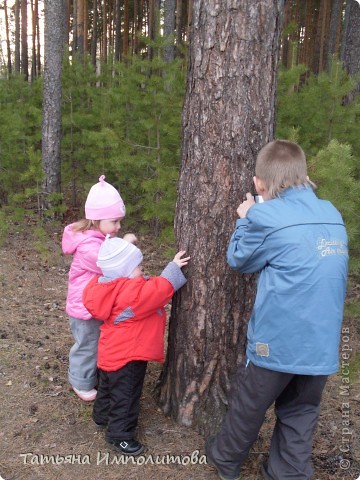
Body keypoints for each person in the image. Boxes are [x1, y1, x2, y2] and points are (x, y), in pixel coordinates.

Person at [206, 140, 348, 480]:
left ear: (259, 183)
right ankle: (288, 471)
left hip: (278, 341)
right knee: (301, 409)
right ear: (305, 175)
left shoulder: (265, 214)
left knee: (250, 404)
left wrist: (246, 216)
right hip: (321, 345)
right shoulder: (331, 213)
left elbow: (240, 259)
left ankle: (226, 459)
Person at [82, 235, 190, 456]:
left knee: (107, 388)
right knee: (126, 396)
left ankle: (101, 416)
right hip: (129, 356)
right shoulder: (132, 294)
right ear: (125, 272)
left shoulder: (107, 287)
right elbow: (158, 291)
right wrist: (173, 268)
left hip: (110, 352)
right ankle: (119, 436)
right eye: (138, 267)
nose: (142, 269)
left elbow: (140, 287)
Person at [62, 175, 133, 402]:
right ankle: (80, 381)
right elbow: (108, 262)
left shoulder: (100, 238)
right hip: (84, 309)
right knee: (87, 345)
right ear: (96, 220)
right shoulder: (88, 246)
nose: (118, 227)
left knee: (97, 342)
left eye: (119, 221)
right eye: (114, 222)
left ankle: (93, 375)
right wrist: (127, 244)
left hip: (96, 305)